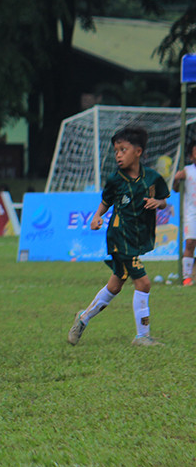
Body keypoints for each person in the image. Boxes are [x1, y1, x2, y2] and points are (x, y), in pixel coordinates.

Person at [67, 127, 170, 348]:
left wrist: (157, 203)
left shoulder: (152, 178)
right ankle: (142, 336)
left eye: (123, 150)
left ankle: (83, 318)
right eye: (116, 151)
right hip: (119, 235)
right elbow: (106, 202)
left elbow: (163, 201)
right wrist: (96, 217)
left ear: (139, 152)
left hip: (136, 236)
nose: (118, 155)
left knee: (115, 286)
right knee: (143, 282)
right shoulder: (115, 180)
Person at [172, 139, 196, 286]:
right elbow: (176, 189)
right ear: (191, 156)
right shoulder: (187, 171)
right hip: (192, 213)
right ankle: (187, 276)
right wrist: (176, 179)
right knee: (190, 243)